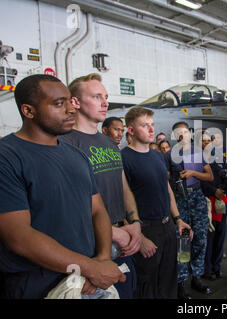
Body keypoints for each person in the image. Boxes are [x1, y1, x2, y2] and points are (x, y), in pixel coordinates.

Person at [0, 74, 125, 299]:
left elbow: (97, 210)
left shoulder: (76, 155)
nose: (71, 109)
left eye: (70, 101)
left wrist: (102, 259)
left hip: (87, 280)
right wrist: (89, 267)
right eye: (59, 104)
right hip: (36, 282)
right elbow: (19, 236)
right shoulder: (7, 157)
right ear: (29, 111)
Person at [59, 73, 142, 299]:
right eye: (96, 97)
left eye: (105, 97)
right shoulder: (63, 143)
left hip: (122, 240)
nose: (105, 103)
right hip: (88, 247)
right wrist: (112, 232)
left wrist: (134, 223)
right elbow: (66, 205)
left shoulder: (109, 143)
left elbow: (122, 186)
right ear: (75, 102)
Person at [121, 107, 193, 298]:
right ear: (131, 130)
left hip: (167, 226)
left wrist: (178, 219)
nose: (151, 129)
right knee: (147, 286)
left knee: (169, 281)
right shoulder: (123, 159)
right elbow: (121, 203)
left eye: (152, 125)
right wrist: (139, 239)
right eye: (145, 125)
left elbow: (166, 188)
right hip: (145, 230)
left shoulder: (157, 156)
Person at [166, 121, 214, 298]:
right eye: (178, 132)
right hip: (179, 199)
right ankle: (181, 281)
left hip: (197, 198)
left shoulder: (198, 153)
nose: (182, 135)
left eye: (185, 132)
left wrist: (193, 173)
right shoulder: (169, 155)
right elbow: (165, 181)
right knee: (184, 241)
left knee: (201, 238)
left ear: (189, 134)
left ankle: (197, 276)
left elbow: (210, 176)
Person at [201, 131, 227, 281]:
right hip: (206, 201)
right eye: (203, 141)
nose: (207, 143)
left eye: (209, 140)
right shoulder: (196, 159)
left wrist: (223, 191)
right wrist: (214, 191)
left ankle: (217, 267)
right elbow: (200, 181)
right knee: (209, 237)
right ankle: (206, 269)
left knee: (220, 236)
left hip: (221, 202)